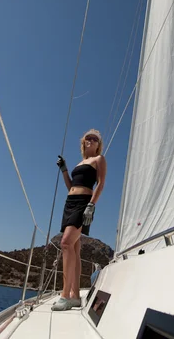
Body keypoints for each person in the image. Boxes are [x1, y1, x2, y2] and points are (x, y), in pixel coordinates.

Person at [51, 129, 107, 311]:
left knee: (66, 244)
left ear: (98, 144)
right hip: (70, 202)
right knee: (74, 248)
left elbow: (101, 183)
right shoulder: (79, 164)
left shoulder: (99, 160)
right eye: (87, 138)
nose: (91, 140)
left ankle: (64, 295)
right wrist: (65, 170)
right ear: (83, 143)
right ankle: (75, 296)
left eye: (95, 139)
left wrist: (92, 205)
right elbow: (71, 186)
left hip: (84, 203)